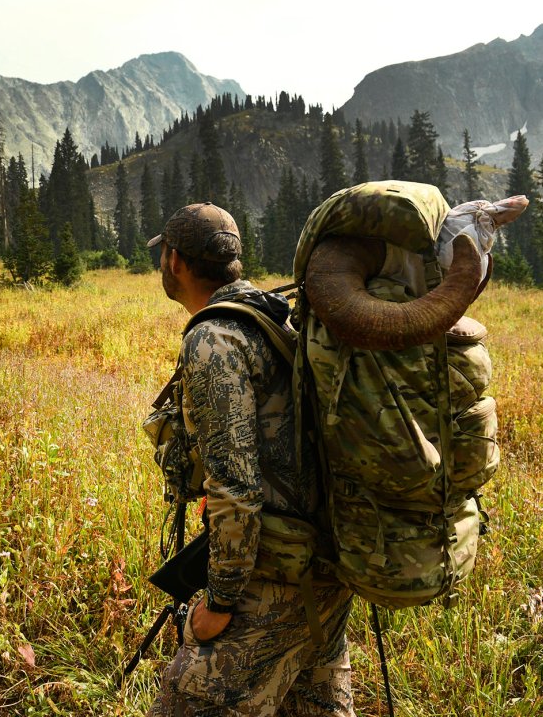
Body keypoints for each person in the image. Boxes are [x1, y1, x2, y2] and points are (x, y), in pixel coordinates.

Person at [145, 202, 355, 717]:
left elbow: (235, 487)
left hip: (271, 583)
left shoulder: (214, 340)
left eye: (163, 256)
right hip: (326, 572)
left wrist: (219, 603)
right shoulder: (274, 317)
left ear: (175, 262)